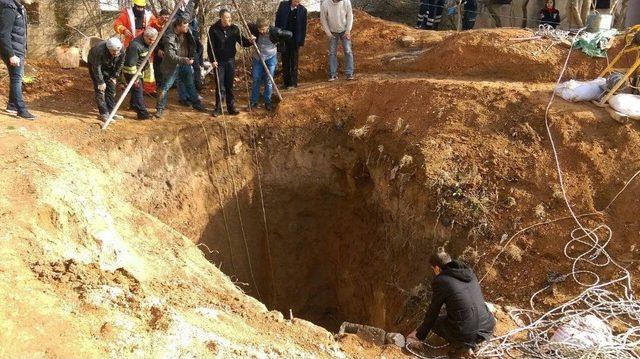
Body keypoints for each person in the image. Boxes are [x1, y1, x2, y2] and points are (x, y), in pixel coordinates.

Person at [407, 248, 495, 359]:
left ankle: (462, 347)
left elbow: (433, 312)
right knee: (460, 316)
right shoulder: (469, 273)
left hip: (466, 333)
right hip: (487, 328)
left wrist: (419, 335)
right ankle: (470, 344)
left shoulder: (441, 281)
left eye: (433, 269)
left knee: (435, 322)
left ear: (437, 268)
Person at [155, 16, 205, 119]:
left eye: (187, 26)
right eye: (185, 26)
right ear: (178, 26)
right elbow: (170, 55)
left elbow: (189, 10)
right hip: (172, 66)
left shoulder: (187, 31)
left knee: (190, 85)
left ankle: (196, 104)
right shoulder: (169, 37)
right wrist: (184, 60)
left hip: (185, 63)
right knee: (165, 87)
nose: (187, 28)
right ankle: (160, 109)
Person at [207, 9, 253, 116]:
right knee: (220, 85)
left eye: (230, 17)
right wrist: (212, 61)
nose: (229, 19)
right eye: (227, 17)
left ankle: (231, 107)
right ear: (221, 18)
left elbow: (243, 41)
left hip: (230, 61)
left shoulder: (234, 29)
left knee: (229, 85)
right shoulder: (213, 29)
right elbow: (210, 47)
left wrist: (250, 41)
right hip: (219, 62)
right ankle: (218, 108)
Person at [0, 0, 36, 119]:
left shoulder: (18, 7)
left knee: (15, 77)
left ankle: (11, 106)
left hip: (18, 49)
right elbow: (4, 34)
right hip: (13, 51)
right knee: (17, 79)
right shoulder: (9, 8)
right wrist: (11, 54)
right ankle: (21, 110)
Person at [114, 0, 157, 95]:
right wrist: (123, 29)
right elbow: (117, 24)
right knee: (129, 66)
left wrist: (161, 21)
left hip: (146, 44)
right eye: (138, 6)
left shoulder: (149, 15)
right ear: (134, 5)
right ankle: (126, 85)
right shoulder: (126, 14)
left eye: (142, 7)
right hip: (131, 43)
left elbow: (156, 25)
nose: (140, 9)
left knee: (148, 67)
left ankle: (149, 89)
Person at [248, 19, 292, 111]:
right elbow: (248, 24)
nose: (262, 32)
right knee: (256, 79)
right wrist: (251, 37)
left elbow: (289, 34)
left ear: (268, 27)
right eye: (260, 30)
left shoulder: (275, 31)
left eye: (264, 29)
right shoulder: (255, 30)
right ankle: (254, 102)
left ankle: (267, 102)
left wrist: (279, 40)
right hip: (258, 58)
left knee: (269, 80)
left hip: (271, 57)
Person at [122, 27, 158, 120]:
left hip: (139, 70)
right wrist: (135, 78)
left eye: (153, 40)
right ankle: (142, 114)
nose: (152, 42)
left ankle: (133, 105)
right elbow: (130, 65)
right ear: (144, 36)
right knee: (138, 90)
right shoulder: (135, 46)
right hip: (131, 72)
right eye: (150, 40)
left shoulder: (147, 42)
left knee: (136, 90)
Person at [87, 37, 126, 122]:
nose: (115, 53)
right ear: (108, 48)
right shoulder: (99, 51)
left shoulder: (121, 49)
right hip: (95, 65)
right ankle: (104, 113)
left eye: (117, 51)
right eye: (113, 51)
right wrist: (100, 82)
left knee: (111, 89)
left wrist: (114, 76)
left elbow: (121, 63)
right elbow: (97, 67)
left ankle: (112, 112)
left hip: (110, 65)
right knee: (100, 90)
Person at [275, 0, 308, 89]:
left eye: (298, 2)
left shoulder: (303, 10)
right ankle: (286, 83)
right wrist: (277, 35)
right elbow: (277, 20)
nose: (296, 3)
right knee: (285, 60)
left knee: (294, 61)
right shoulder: (283, 5)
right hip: (283, 38)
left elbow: (304, 26)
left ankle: (293, 83)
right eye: (295, 1)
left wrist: (301, 41)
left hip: (295, 39)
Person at [320, 0, 355, 81]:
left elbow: (350, 16)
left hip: (344, 30)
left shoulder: (346, 2)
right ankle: (333, 74)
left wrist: (348, 31)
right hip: (332, 32)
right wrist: (328, 34)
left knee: (348, 51)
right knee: (332, 53)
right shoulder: (325, 4)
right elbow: (323, 19)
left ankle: (349, 73)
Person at [152, 8, 170, 89]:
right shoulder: (154, 25)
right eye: (164, 17)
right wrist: (157, 50)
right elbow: (151, 40)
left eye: (167, 17)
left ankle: (167, 82)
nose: (165, 19)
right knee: (157, 66)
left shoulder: (170, 25)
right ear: (159, 16)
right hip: (157, 48)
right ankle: (158, 83)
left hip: (167, 48)